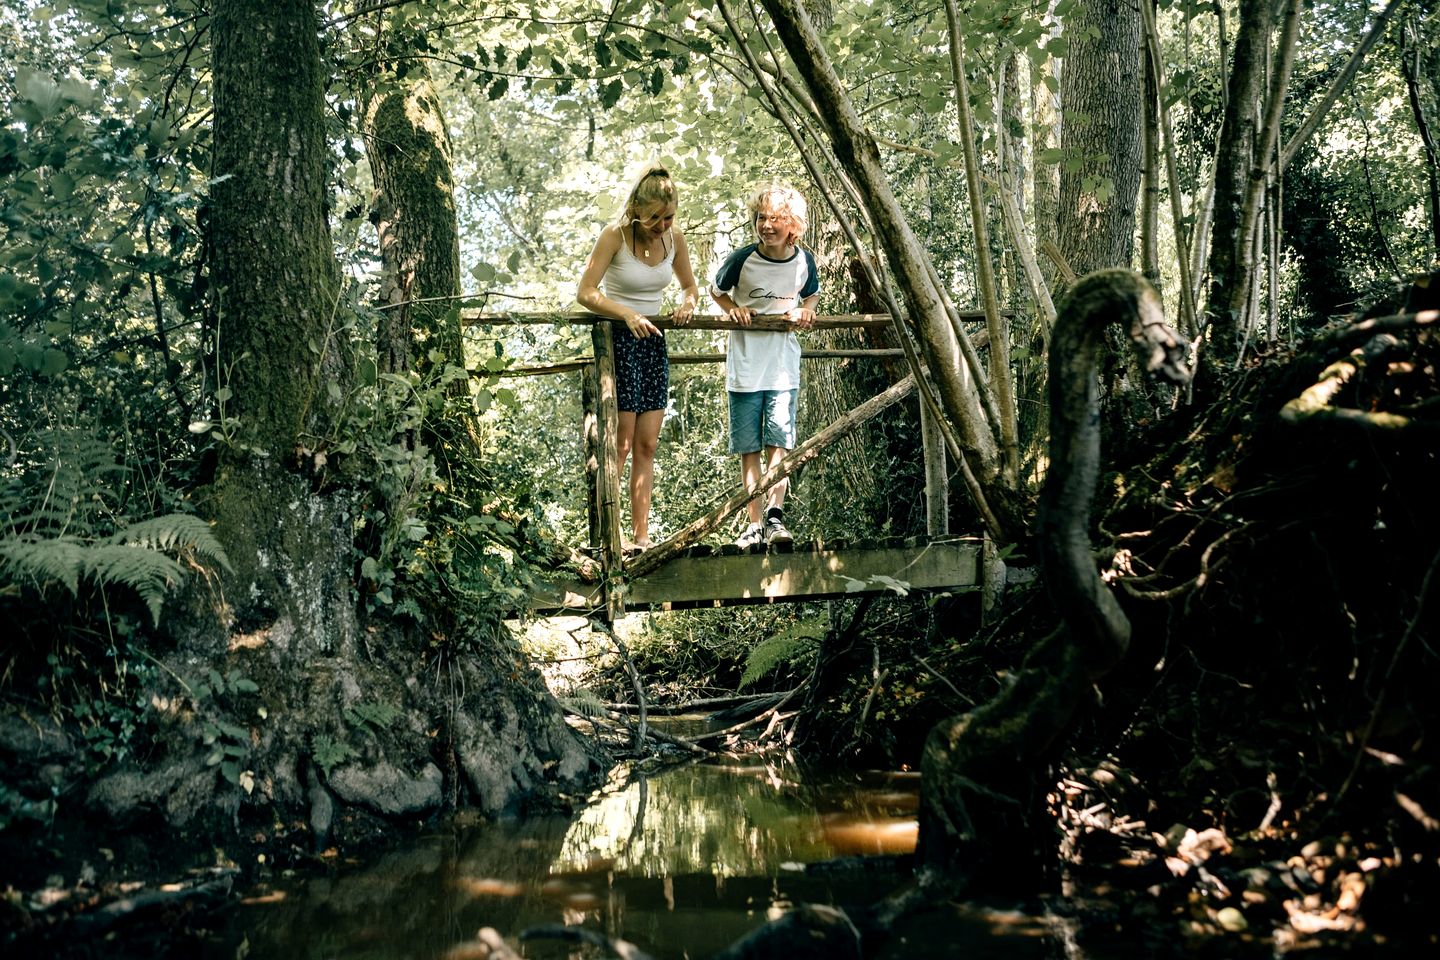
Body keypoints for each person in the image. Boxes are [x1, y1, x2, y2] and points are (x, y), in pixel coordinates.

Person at [576, 163, 699, 556]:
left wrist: (687, 303)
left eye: (669, 217)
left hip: (653, 344)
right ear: (636, 210)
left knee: (647, 445)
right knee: (621, 443)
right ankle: (611, 537)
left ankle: (641, 537)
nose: (663, 225)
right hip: (619, 342)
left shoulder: (675, 239)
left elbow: (690, 286)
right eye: (655, 218)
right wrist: (625, 313)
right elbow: (586, 292)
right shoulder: (614, 236)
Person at [709, 183, 819, 549]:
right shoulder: (742, 259)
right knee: (749, 448)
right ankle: (753, 524)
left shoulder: (804, 261)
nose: (767, 225)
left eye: (776, 218)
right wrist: (733, 310)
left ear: (793, 225)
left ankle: (775, 518)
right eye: (761, 217)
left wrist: (808, 311)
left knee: (778, 444)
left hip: (782, 367)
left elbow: (811, 293)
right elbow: (717, 290)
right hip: (745, 367)